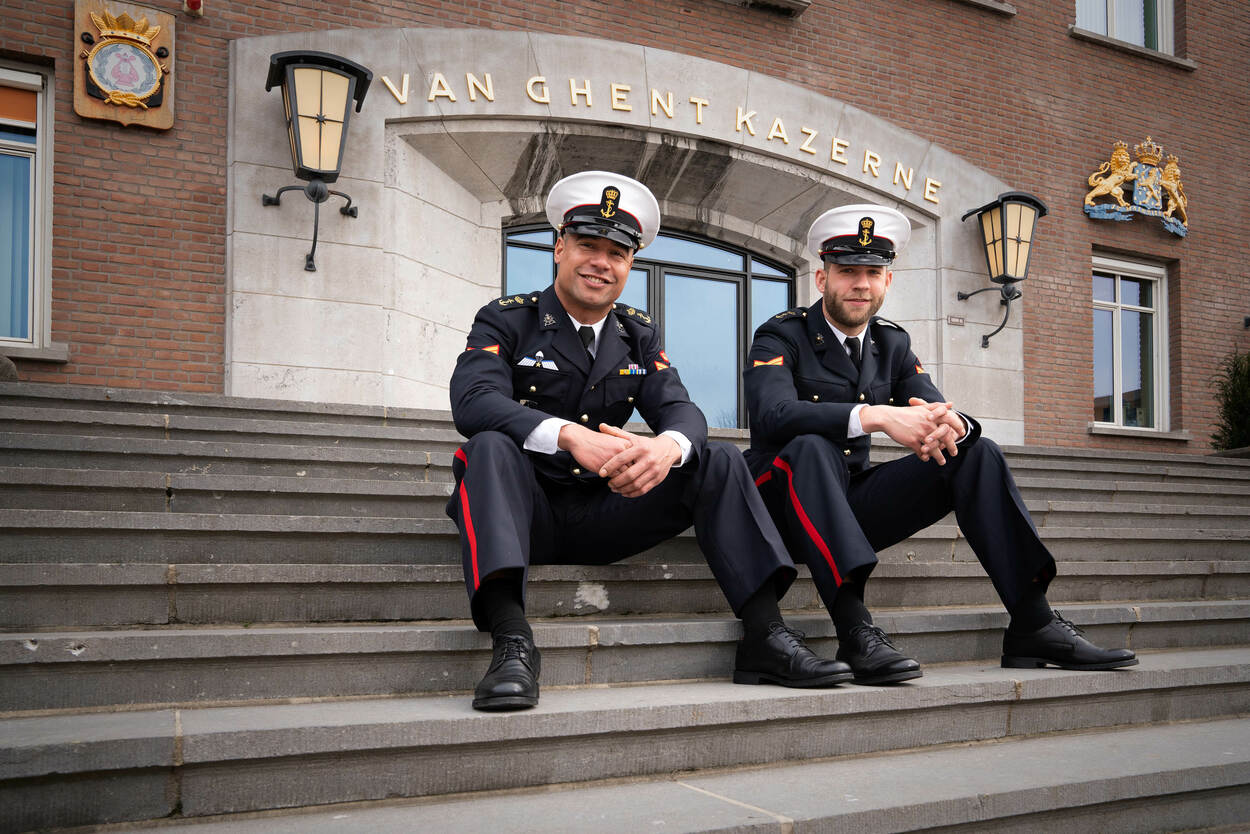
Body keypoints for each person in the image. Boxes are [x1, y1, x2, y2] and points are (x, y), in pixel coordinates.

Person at [447, 171, 851, 711]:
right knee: (488, 446)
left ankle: (765, 634)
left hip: (604, 511)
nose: (601, 263)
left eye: (616, 253)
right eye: (588, 246)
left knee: (717, 458)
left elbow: (682, 410)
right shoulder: (506, 319)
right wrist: (569, 436)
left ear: (630, 265)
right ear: (559, 248)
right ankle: (512, 642)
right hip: (525, 512)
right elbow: (473, 400)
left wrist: (666, 448)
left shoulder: (636, 333)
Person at [743, 203, 1137, 684]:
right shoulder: (781, 334)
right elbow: (772, 414)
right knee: (812, 447)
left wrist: (953, 426)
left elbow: (936, 406)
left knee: (976, 453)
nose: (861, 284)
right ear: (822, 279)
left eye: (873, 273)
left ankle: (1034, 623)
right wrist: (877, 416)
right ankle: (855, 630)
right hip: (776, 508)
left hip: (845, 505)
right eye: (847, 272)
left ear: (888, 281)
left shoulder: (891, 343)